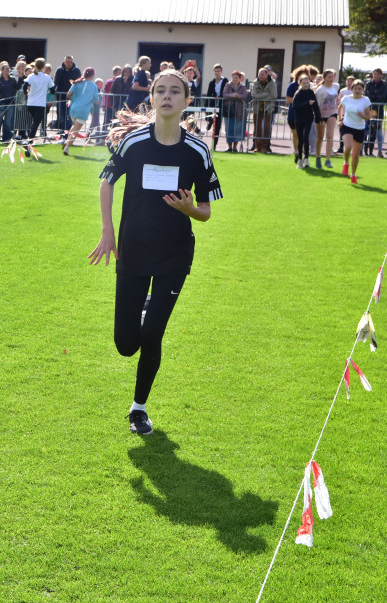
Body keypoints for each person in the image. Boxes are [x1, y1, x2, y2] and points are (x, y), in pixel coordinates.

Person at [91, 69, 222, 435]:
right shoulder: (133, 143)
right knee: (125, 344)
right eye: (160, 90)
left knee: (152, 337)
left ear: (186, 101)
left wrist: (188, 209)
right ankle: (147, 303)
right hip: (132, 250)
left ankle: (139, 409)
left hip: (174, 256)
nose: (167, 96)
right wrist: (108, 231)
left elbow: (207, 211)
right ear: (151, 98)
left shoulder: (197, 150)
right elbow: (106, 182)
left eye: (174, 91)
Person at [338, 79, 372, 184]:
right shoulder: (346, 99)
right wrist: (340, 120)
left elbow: (368, 117)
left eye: (360, 89)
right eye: (355, 88)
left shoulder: (365, 100)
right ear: (352, 89)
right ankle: (346, 163)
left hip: (359, 128)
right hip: (347, 126)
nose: (357, 90)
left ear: (363, 90)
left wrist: (362, 116)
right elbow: (339, 108)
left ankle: (353, 174)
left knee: (355, 155)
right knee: (348, 147)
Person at [61, 69, 100, 155]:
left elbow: (68, 94)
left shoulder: (77, 83)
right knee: (76, 130)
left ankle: (67, 142)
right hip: (83, 111)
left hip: (74, 108)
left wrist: (73, 100)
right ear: (93, 75)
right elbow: (96, 101)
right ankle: (67, 147)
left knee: (74, 126)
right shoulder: (93, 86)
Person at [292, 73, 321, 168]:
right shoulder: (298, 93)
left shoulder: (311, 93)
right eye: (304, 83)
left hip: (308, 118)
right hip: (299, 119)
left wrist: (318, 117)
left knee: (306, 137)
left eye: (307, 83)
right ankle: (300, 159)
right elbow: (295, 106)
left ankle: (306, 159)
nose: (306, 84)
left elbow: (315, 106)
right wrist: (307, 103)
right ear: (300, 83)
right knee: (300, 139)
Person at [315, 69, 339, 168]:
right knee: (320, 137)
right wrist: (318, 117)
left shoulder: (336, 86)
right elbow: (317, 105)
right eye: (329, 77)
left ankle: (328, 159)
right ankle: (318, 157)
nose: (331, 79)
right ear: (324, 78)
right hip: (321, 115)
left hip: (332, 113)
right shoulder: (320, 90)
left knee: (330, 135)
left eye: (332, 77)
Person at [0, 61, 17, 144]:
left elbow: (16, 88)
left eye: (8, 68)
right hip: (1, 103)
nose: (8, 70)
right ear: (2, 70)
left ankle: (6, 139)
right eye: (6, 68)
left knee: (8, 123)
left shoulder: (12, 80)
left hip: (10, 103)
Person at [364, 68, 387, 157]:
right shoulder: (368, 84)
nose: (376, 76)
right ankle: (364, 151)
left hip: (379, 111)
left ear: (381, 75)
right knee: (366, 130)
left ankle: (379, 150)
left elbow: (383, 98)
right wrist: (375, 95)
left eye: (378, 74)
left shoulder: (384, 85)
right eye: (374, 74)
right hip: (368, 110)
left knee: (378, 131)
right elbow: (366, 96)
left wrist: (373, 95)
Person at [250, 67, 276, 154]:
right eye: (259, 74)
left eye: (262, 74)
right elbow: (254, 95)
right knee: (257, 128)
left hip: (268, 109)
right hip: (257, 109)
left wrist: (261, 96)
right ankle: (257, 146)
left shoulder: (272, 83)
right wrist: (265, 94)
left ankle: (265, 147)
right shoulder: (255, 82)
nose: (260, 76)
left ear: (267, 74)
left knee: (266, 128)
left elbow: (273, 95)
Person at [52, 55, 81, 132]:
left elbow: (79, 82)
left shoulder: (76, 70)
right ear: (64, 62)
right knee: (61, 114)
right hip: (61, 97)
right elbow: (56, 82)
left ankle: (69, 130)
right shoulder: (59, 70)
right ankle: (62, 129)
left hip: (72, 97)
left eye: (71, 62)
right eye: (68, 62)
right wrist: (52, 91)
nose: (69, 64)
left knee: (70, 115)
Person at [222, 70, 247, 153]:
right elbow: (225, 94)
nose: (234, 79)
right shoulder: (228, 85)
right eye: (233, 77)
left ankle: (235, 147)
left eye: (236, 78)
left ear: (239, 78)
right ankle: (229, 147)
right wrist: (232, 95)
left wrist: (238, 96)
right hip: (229, 110)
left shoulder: (242, 87)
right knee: (229, 128)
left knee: (237, 129)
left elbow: (244, 95)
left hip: (239, 111)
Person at [204, 64, 227, 150]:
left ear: (221, 72)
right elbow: (208, 94)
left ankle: (214, 146)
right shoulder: (211, 82)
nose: (217, 73)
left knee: (217, 127)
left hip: (221, 106)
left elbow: (225, 91)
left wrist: (220, 96)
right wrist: (206, 107)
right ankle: (210, 121)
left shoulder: (225, 81)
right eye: (216, 71)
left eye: (218, 71)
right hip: (213, 105)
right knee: (211, 118)